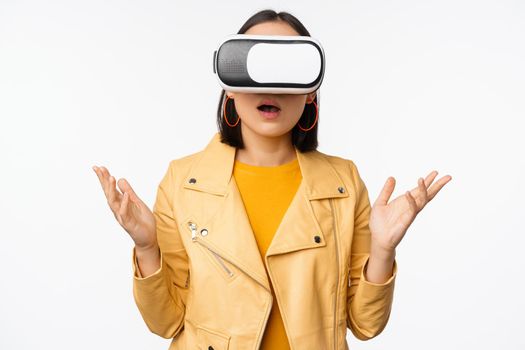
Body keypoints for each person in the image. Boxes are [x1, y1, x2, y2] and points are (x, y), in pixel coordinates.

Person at [93, 9, 451, 350]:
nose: (271, 87)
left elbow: (365, 324)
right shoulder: (183, 181)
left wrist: (383, 250)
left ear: (310, 90)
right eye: (254, 66)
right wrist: (146, 247)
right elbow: (165, 322)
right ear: (229, 85)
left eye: (289, 70)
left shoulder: (343, 183)